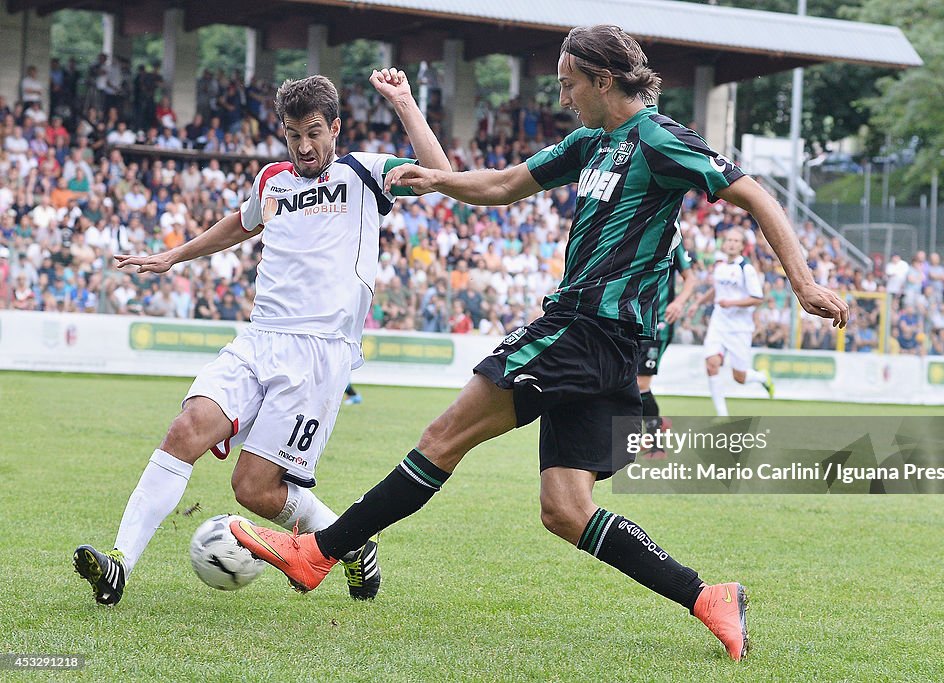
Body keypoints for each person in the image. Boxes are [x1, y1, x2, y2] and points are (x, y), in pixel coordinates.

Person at [231, 25, 847, 662]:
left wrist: (802, 282)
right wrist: (435, 180)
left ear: (604, 80)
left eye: (569, 83)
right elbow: (500, 186)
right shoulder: (591, 142)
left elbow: (753, 194)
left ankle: (319, 551)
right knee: (565, 510)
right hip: (604, 346)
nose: (564, 95)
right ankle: (707, 596)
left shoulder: (659, 139)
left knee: (444, 437)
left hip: (586, 330)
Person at [72, 69, 450, 606]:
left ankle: (352, 543)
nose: (303, 146)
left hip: (318, 354)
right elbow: (240, 224)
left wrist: (405, 102)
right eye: (293, 135)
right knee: (186, 429)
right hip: (258, 338)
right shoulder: (273, 180)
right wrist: (174, 255)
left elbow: (439, 172)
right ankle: (120, 566)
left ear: (335, 128)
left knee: (253, 489)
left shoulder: (365, 173)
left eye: (314, 132)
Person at [699, 228, 774, 417]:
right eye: (728, 240)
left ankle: (761, 377)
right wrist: (698, 303)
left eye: (735, 241)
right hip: (719, 323)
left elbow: (757, 298)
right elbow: (716, 290)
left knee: (739, 377)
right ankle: (722, 414)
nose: (731, 243)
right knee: (711, 364)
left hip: (739, 328)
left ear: (742, 246)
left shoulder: (746, 269)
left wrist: (731, 303)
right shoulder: (720, 267)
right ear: (723, 244)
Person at [637, 227, 697, 457]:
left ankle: (655, 441)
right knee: (628, 382)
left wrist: (679, 302)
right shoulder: (637, 230)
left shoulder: (672, 236)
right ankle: (657, 424)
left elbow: (690, 279)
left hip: (660, 324)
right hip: (635, 320)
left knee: (641, 384)